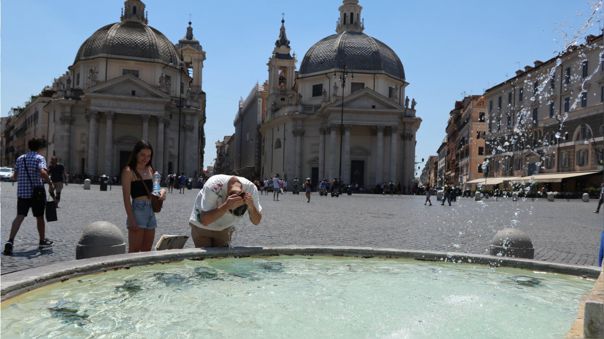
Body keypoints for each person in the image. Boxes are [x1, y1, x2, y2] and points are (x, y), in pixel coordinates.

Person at [3, 138, 54, 255]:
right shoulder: (39, 158)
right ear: (39, 148)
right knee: (39, 217)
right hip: (37, 193)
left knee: (19, 216)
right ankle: (42, 240)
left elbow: (14, 176)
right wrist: (50, 184)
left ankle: (10, 241)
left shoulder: (20, 159)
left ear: (28, 146)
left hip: (22, 193)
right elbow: (43, 172)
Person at [189, 174, 262, 247]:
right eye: (231, 212)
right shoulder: (213, 185)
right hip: (202, 228)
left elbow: (257, 221)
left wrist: (251, 206)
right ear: (226, 196)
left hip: (224, 228)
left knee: (221, 257)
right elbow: (205, 220)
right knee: (204, 257)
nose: (232, 215)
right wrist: (226, 206)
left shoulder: (251, 189)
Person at [121, 140, 167, 252]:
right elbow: (126, 198)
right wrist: (131, 219)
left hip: (151, 210)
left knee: (147, 250)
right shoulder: (129, 171)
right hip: (138, 210)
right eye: (142, 154)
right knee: (134, 250)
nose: (145, 158)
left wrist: (163, 192)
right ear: (136, 153)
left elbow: (156, 189)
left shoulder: (150, 169)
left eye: (148, 156)